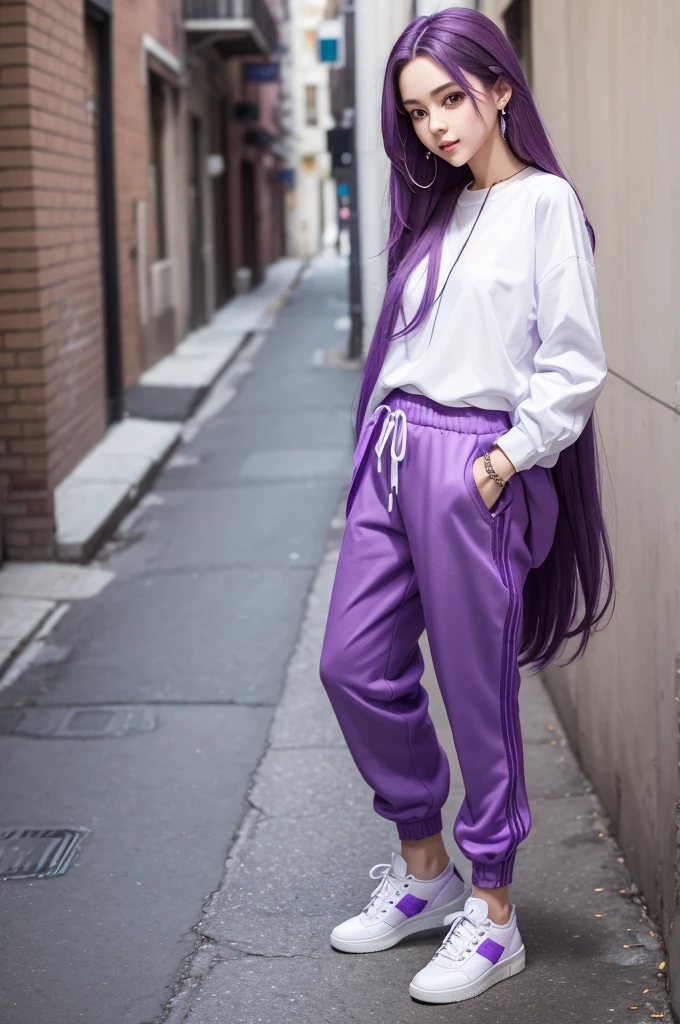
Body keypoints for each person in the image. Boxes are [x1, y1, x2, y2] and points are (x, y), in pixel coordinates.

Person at [318, 7, 615, 1007]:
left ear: (496, 87)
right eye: (417, 110)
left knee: (473, 693)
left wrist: (504, 461)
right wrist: (372, 458)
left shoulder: (542, 206)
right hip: (392, 455)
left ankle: (491, 914)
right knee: (351, 663)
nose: (436, 124)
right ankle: (422, 866)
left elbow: (571, 364)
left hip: (470, 463)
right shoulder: (435, 211)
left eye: (450, 97)